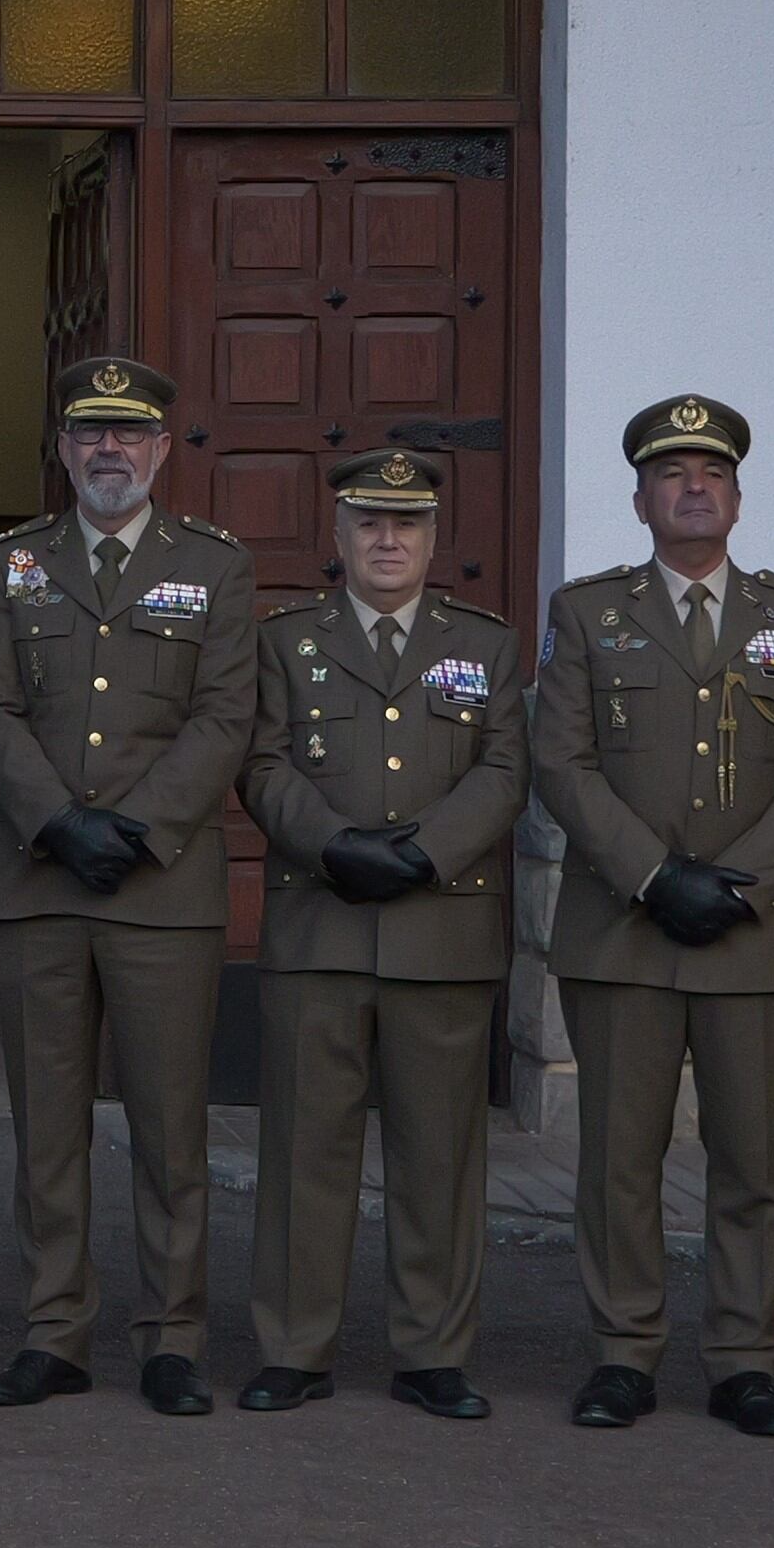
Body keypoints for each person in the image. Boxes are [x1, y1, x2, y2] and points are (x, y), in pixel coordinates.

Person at [528, 395, 774, 1438]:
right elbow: (560, 762)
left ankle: (744, 1359)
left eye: (710, 472)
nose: (693, 487)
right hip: (624, 930)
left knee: (753, 1160)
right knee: (617, 1158)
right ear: (640, 498)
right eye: (672, 473)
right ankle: (623, 1351)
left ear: (738, 495)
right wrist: (654, 876)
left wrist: (734, 882)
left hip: (752, 937)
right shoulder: (586, 613)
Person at [0, 358, 261, 1417]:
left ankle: (172, 1334)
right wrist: (55, 820)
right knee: (47, 1125)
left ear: (162, 449)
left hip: (159, 884)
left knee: (171, 1126)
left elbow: (226, 715)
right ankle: (54, 1330)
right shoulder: (13, 563)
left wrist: (136, 825)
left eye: (129, 435)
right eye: (88, 433)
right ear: (63, 447)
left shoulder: (215, 565)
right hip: (40, 879)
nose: (108, 452)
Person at [234, 447, 526, 1421]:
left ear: (434, 536)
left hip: (439, 930)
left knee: (438, 1155)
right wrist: (333, 845)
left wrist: (426, 852)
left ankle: (432, 1351)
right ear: (338, 533)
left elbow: (502, 769)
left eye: (406, 523)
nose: (386, 539)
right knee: (301, 1152)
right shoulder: (284, 642)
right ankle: (292, 1344)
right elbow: (263, 764)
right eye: (368, 521)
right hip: (319, 925)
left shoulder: (484, 645)